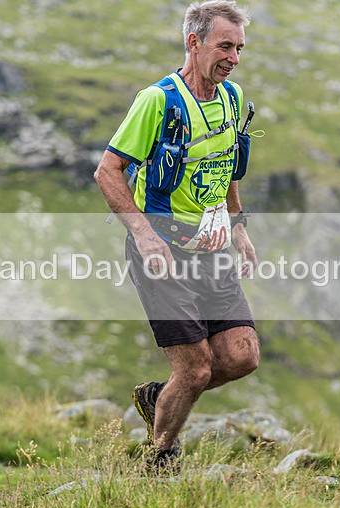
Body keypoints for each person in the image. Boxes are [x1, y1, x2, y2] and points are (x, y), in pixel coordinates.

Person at [93, 0, 260, 472]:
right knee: (195, 368)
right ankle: (160, 459)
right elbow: (108, 171)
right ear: (194, 42)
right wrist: (145, 237)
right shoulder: (158, 100)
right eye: (225, 46)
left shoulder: (230, 97)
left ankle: (158, 398)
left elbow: (226, 166)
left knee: (241, 356)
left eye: (240, 48)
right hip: (162, 251)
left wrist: (238, 226)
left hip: (211, 249)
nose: (234, 57)